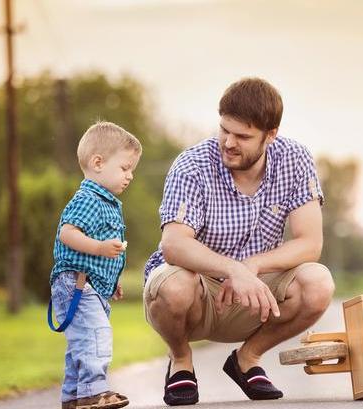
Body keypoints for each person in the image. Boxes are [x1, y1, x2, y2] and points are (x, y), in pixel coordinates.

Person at [143, 77, 335, 405]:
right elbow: (173, 245)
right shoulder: (191, 165)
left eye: (242, 136)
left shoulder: (295, 159)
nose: (229, 142)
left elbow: (309, 243)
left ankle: (247, 359)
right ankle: (181, 362)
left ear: (270, 135)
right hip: (197, 294)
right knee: (173, 286)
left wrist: (251, 267)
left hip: (255, 295)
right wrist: (232, 269)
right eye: (224, 130)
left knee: (318, 283)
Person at [49, 121, 141, 409]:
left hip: (88, 283)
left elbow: (101, 252)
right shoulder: (89, 198)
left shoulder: (107, 202)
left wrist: (110, 281)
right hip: (76, 282)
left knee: (81, 342)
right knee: (96, 336)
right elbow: (67, 233)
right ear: (98, 163)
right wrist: (100, 248)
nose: (130, 176)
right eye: (125, 168)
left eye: (132, 170)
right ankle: (93, 391)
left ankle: (74, 396)